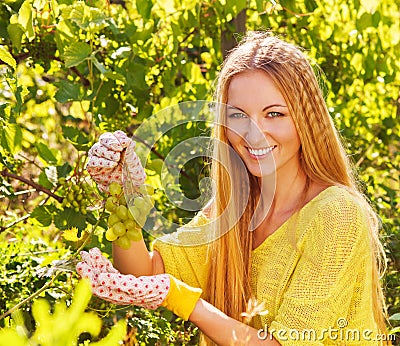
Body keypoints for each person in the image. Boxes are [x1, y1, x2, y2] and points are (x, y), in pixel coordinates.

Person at [77, 32, 391, 345]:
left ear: (305, 119)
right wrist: (123, 195)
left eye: (274, 114)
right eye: (238, 115)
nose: (253, 134)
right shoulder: (234, 207)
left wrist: (182, 299)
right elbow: (144, 274)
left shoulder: (337, 214)